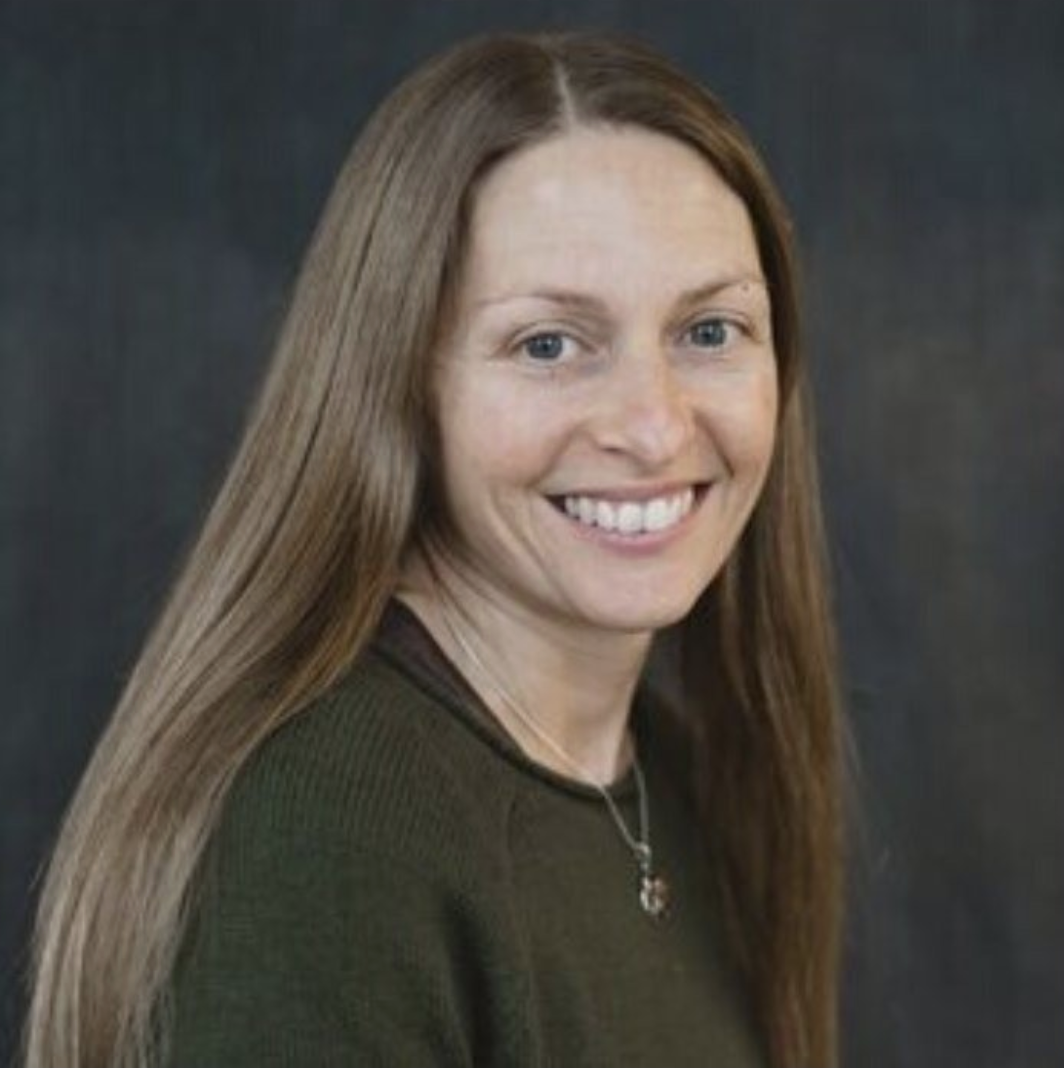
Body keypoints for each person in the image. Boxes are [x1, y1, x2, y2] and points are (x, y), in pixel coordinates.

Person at [23, 30, 844, 1068]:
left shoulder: (674, 775)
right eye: (548, 344)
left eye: (709, 331)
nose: (652, 426)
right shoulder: (329, 840)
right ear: (403, 386)